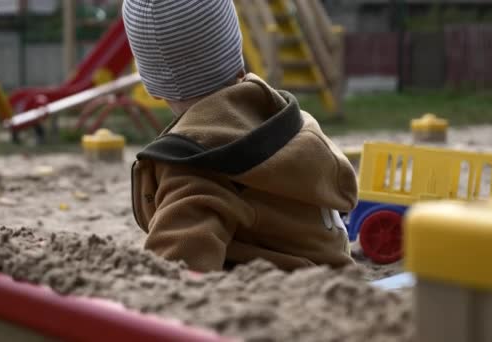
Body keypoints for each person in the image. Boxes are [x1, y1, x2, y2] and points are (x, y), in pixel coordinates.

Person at [125, 0, 358, 272]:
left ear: (152, 87)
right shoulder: (282, 117)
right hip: (338, 272)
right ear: (237, 57)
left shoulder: (198, 165)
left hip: (283, 295)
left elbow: (176, 269)